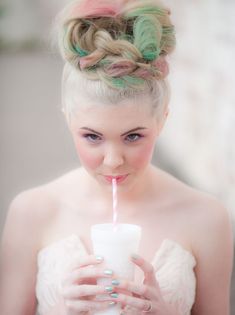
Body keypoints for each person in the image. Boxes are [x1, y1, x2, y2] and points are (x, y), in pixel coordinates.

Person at [0, 0, 233, 314]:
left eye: (133, 136)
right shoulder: (31, 212)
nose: (112, 161)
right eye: (92, 137)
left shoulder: (208, 218)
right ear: (68, 118)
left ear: (162, 120)